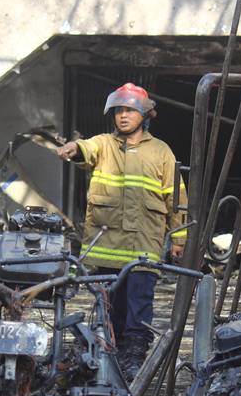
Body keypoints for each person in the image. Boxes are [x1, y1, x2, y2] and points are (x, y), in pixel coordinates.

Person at [55, 83, 187, 378]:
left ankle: (134, 357)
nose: (123, 116)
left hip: (144, 243)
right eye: (118, 111)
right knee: (110, 306)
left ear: (144, 114)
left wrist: (178, 238)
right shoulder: (104, 144)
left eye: (129, 110)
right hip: (108, 244)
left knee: (139, 304)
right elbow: (86, 149)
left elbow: (176, 198)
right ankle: (108, 355)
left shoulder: (161, 152)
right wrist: (74, 148)